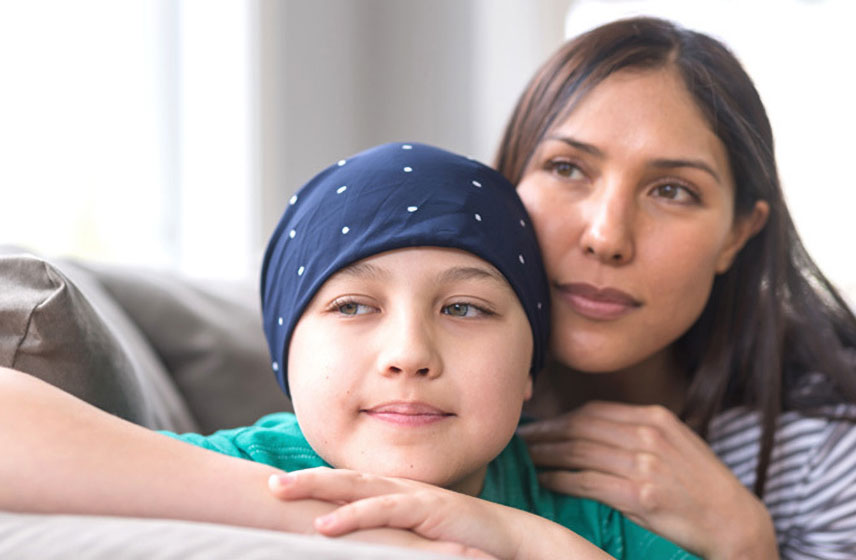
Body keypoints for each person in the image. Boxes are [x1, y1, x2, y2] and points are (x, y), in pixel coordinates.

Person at [268, 17, 856, 560]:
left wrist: (747, 543)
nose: (606, 237)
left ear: (737, 235)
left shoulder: (825, 453)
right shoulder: (400, 392)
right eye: (568, 168)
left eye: (672, 190)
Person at [0, 142, 698, 559]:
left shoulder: (598, 520)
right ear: (286, 358)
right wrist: (337, 522)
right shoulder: (254, 474)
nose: (409, 354)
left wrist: (531, 543)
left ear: (528, 371)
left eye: (464, 308)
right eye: (354, 306)